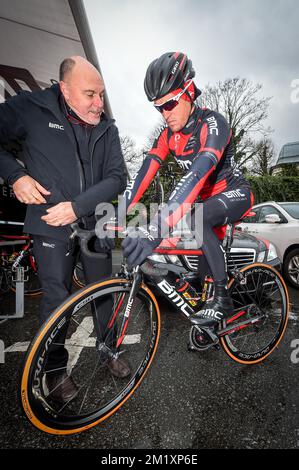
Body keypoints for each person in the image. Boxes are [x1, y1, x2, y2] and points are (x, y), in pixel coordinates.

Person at [0, 56, 129, 402]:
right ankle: (55, 372)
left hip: (97, 224)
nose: (98, 104)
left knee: (104, 292)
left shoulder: (108, 128)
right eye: (90, 94)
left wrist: (77, 206)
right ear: (64, 88)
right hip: (50, 226)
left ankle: (109, 351)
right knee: (57, 299)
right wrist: (15, 175)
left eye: (101, 95)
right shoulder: (31, 108)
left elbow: (119, 178)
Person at [120, 51, 254, 328]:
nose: (164, 113)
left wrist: (156, 228)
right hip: (206, 204)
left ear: (189, 92)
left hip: (235, 192)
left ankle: (223, 298)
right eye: (158, 107)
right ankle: (207, 325)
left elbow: (197, 174)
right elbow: (144, 173)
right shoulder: (167, 136)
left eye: (169, 103)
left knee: (194, 217)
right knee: (194, 250)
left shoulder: (213, 123)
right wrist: (120, 212)